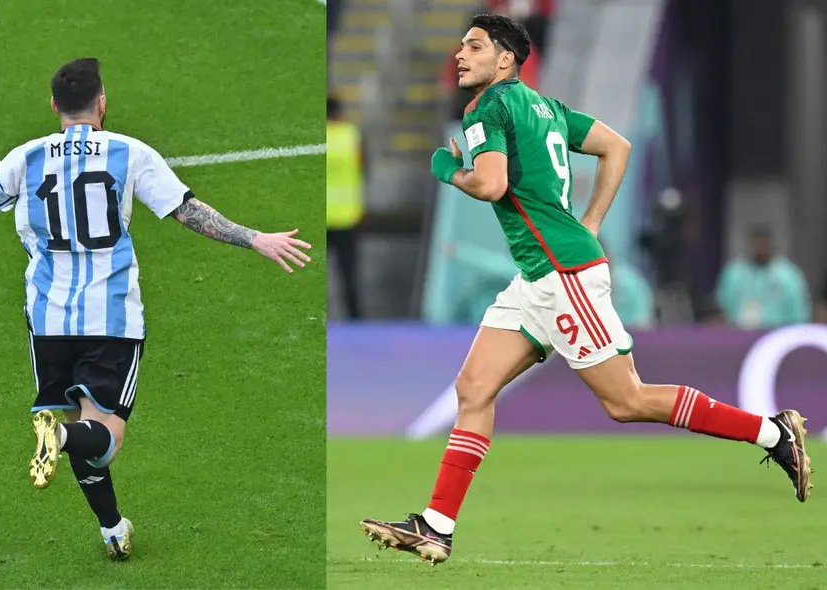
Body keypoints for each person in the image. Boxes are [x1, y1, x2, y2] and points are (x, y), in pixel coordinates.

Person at [358, 15, 812, 567]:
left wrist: (449, 168)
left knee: (627, 401)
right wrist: (591, 220)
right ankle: (437, 526)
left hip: (563, 277)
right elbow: (615, 146)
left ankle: (772, 432)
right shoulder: (546, 108)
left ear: (505, 60)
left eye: (474, 46)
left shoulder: (487, 108)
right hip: (537, 276)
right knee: (474, 388)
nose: (459, 54)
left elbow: (492, 183)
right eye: (461, 45)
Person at [0, 57, 312, 561]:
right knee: (103, 437)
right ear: (102, 103)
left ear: (54, 105)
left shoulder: (26, 157)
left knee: (77, 429)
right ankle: (63, 439)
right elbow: (187, 211)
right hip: (111, 318)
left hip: (48, 319)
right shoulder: (129, 152)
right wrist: (255, 239)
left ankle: (112, 528)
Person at [715, 226, 810, 329]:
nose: (760, 247)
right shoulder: (734, 272)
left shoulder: (788, 275)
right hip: (737, 333)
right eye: (756, 243)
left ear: (771, 244)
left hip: (777, 335)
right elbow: (722, 309)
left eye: (763, 243)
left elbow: (799, 314)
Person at [326, 94, 365, 319]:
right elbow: (362, 170)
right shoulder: (351, 135)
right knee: (349, 274)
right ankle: (355, 320)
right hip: (348, 215)